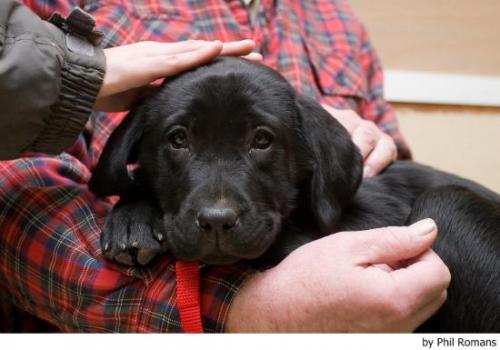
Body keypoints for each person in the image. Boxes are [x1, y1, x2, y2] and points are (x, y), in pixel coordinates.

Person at [0, 0, 450, 332]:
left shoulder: (337, 22)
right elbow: (16, 192)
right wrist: (244, 311)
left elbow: (394, 172)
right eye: (180, 139)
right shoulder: (56, 8)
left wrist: (359, 147)